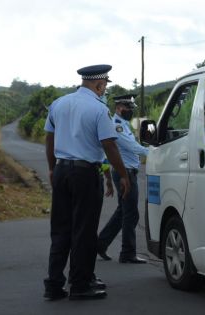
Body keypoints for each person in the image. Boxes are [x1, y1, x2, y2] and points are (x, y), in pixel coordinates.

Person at [43, 64, 131, 301]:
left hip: (61, 170)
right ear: (99, 84)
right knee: (84, 230)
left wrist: (52, 169)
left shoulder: (58, 104)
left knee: (60, 229)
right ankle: (80, 284)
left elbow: (49, 139)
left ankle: (53, 284)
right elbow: (109, 145)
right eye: (104, 86)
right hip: (85, 174)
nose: (104, 91)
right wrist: (122, 175)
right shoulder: (98, 109)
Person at [97, 94, 149, 264]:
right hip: (124, 173)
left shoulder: (123, 125)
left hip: (125, 172)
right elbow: (131, 146)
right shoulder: (117, 126)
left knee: (123, 212)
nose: (130, 111)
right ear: (119, 108)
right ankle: (127, 253)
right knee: (131, 213)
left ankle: (101, 243)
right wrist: (155, 152)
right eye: (128, 108)